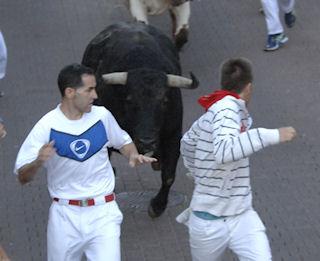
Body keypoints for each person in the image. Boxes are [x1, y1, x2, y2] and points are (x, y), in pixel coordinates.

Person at [14, 63, 157, 261]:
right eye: (89, 89)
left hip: (103, 213)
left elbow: (123, 141)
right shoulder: (46, 126)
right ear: (70, 92)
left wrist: (132, 154)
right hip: (64, 218)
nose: (95, 95)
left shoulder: (102, 116)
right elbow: (22, 176)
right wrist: (38, 162)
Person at [177, 57, 297, 260]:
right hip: (210, 223)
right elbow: (225, 152)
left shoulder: (214, 112)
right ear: (249, 87)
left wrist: (201, 173)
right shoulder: (226, 109)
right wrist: (273, 135)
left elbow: (187, 143)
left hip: (241, 215)